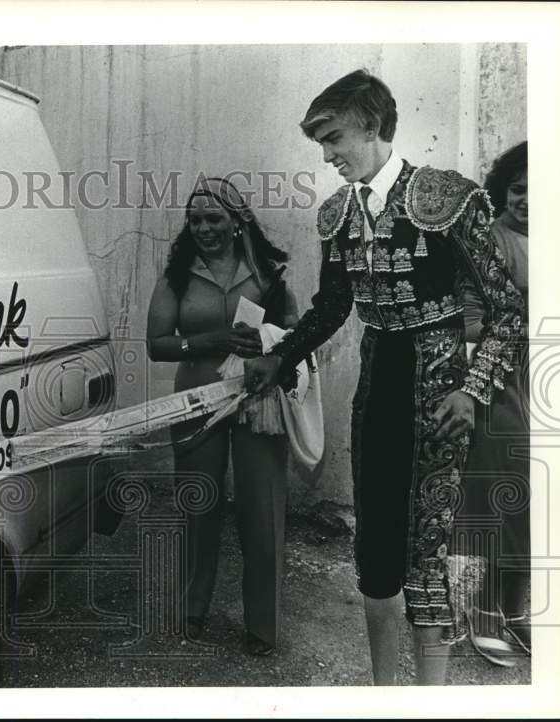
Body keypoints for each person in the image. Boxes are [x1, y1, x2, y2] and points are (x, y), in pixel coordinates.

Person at [244, 70, 525, 685]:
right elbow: (331, 306)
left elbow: (507, 309)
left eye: (333, 137)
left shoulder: (448, 197)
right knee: (375, 547)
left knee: (429, 546)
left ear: (371, 126)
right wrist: (280, 357)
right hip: (378, 383)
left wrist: (472, 390)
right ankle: (383, 694)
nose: (326, 155)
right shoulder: (339, 214)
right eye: (319, 142)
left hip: (440, 387)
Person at [146, 176, 298, 656]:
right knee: (198, 504)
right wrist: (209, 342)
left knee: (262, 508)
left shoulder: (268, 273)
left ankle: (263, 625)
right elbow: (157, 344)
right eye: (196, 220)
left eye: (214, 219)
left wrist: (271, 343)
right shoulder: (178, 274)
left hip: (259, 401)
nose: (204, 228)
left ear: (237, 221)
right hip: (196, 400)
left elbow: (297, 334)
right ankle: (194, 606)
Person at [460, 141, 530, 662]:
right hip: (503, 379)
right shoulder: (491, 241)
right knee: (505, 495)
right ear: (502, 191)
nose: (527, 201)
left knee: (545, 503)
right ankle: (484, 614)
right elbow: (469, 320)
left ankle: (517, 611)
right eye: (518, 190)